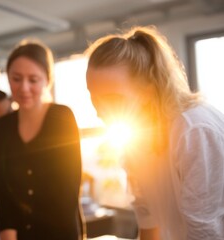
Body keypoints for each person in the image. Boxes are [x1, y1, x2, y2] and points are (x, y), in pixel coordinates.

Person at [84, 25, 224, 240]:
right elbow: (149, 223)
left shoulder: (194, 130)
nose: (100, 111)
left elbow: (206, 232)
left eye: (113, 99)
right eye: (95, 98)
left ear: (149, 88)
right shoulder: (135, 137)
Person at [0, 40, 85, 240]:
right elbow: (1, 191)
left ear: (47, 80)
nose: (24, 88)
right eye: (16, 78)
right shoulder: (2, 128)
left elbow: (68, 189)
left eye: (33, 80)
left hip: (61, 233)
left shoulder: (62, 117)